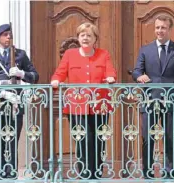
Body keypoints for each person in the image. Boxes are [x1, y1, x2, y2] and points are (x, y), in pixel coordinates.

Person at [132, 15, 174, 179]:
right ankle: (148, 173)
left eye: (163, 28)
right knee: (147, 138)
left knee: (169, 137)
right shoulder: (145, 49)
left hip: (171, 100)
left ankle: (169, 172)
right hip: (149, 100)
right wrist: (139, 76)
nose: (159, 31)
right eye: (157, 27)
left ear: (169, 29)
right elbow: (137, 70)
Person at [51, 22, 117, 180]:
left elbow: (110, 71)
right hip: (77, 105)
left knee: (98, 140)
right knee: (82, 140)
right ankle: (85, 174)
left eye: (89, 35)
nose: (85, 38)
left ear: (95, 39)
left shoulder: (103, 54)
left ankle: (96, 174)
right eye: (82, 35)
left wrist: (111, 77)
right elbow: (59, 73)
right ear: (78, 38)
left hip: (99, 105)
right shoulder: (70, 54)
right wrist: (55, 81)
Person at [0, 24, 39, 179]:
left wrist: (22, 73)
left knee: (12, 141)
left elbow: (35, 77)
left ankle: (11, 174)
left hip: (15, 105)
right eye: (4, 34)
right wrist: (1, 91)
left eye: (10, 34)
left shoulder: (20, 55)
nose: (8, 37)